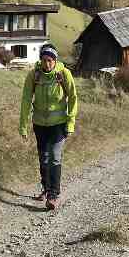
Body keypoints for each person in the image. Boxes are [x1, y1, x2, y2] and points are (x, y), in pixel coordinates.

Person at [19, 43, 78, 210]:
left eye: (50, 60)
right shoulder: (34, 75)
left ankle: (53, 195)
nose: (47, 64)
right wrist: (23, 126)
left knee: (54, 157)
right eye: (44, 60)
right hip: (39, 124)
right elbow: (25, 100)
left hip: (59, 125)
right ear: (41, 60)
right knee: (43, 158)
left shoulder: (63, 74)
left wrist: (71, 122)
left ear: (55, 60)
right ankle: (45, 188)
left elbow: (73, 97)